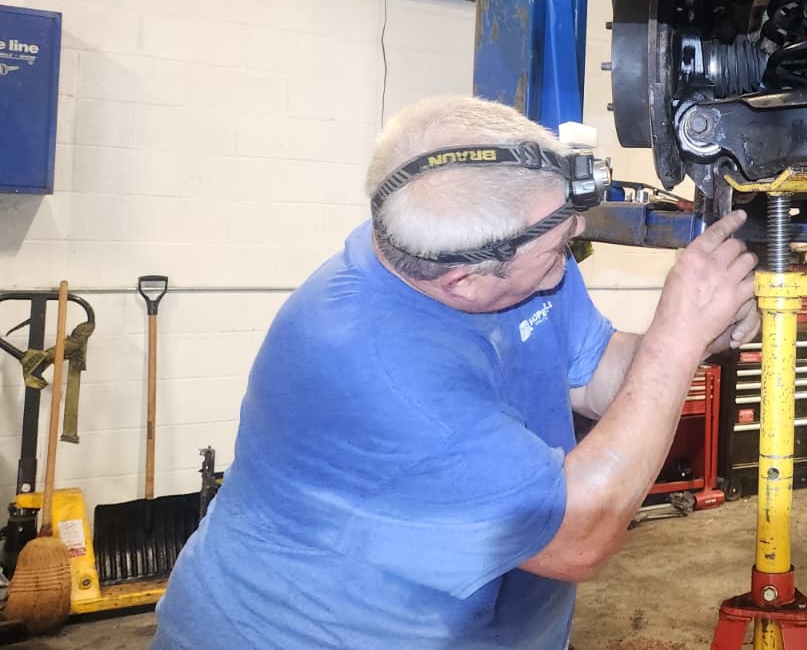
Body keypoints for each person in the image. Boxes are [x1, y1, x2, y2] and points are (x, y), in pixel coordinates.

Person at [154, 96, 759, 649]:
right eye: (557, 248)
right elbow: (579, 537)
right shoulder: (381, 369)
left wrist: (699, 330)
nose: (572, 248)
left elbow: (594, 374)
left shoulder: (502, 252)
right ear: (463, 280)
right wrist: (676, 341)